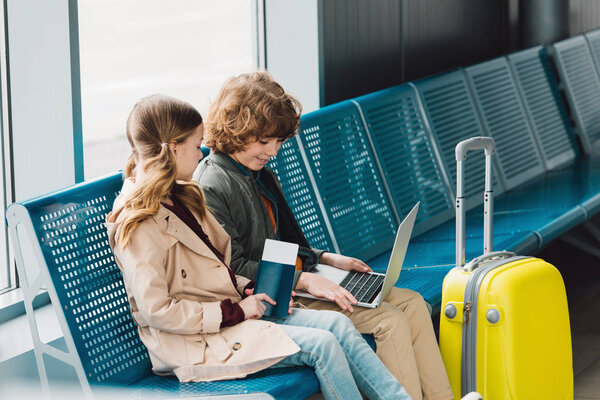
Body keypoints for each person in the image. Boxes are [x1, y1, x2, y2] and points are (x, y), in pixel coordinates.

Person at [106, 94, 411, 400]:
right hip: (197, 342)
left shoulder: (180, 195)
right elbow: (159, 311)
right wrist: (235, 310)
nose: (200, 154)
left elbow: (214, 271)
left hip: (230, 314)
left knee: (338, 325)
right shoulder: (139, 223)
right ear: (174, 148)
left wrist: (249, 287)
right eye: (196, 144)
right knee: (324, 345)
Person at [195, 72, 454, 400]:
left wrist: (324, 259)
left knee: (413, 304)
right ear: (235, 129)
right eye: (264, 141)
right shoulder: (212, 186)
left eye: (278, 142)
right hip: (273, 298)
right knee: (388, 321)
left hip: (293, 281)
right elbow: (232, 270)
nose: (273, 151)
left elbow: (283, 246)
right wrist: (304, 280)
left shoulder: (253, 173)